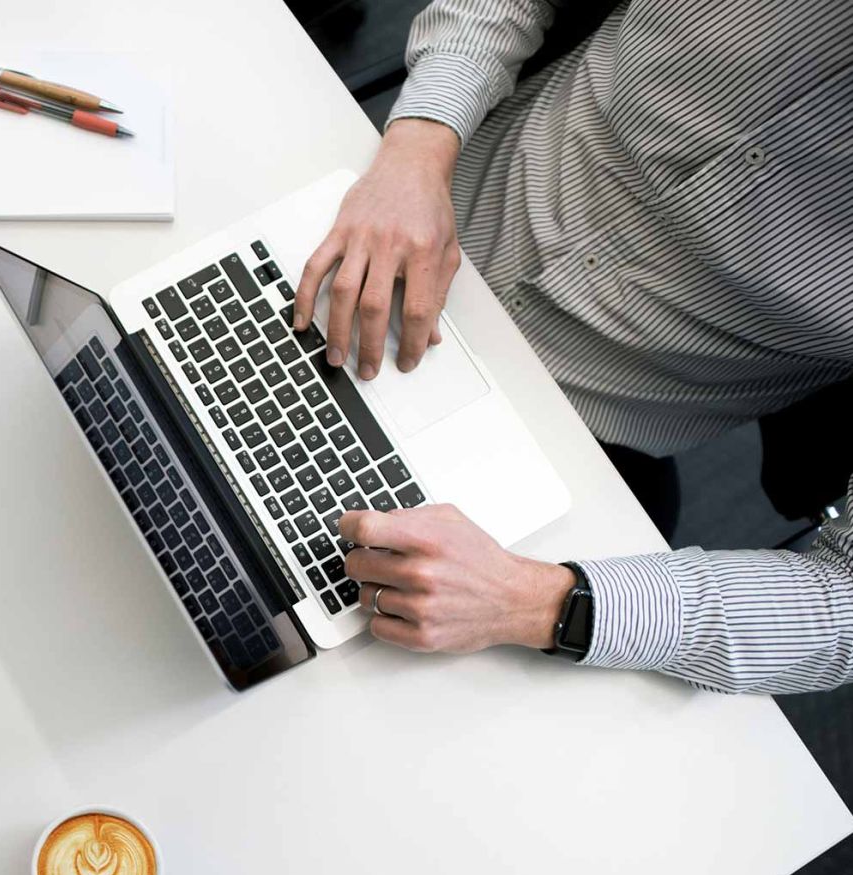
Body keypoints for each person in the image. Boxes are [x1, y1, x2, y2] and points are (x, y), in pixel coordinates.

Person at [294, 0, 853, 693]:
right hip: (393, 202)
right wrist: (419, 145)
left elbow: (844, 604)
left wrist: (537, 602)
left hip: (568, 446)